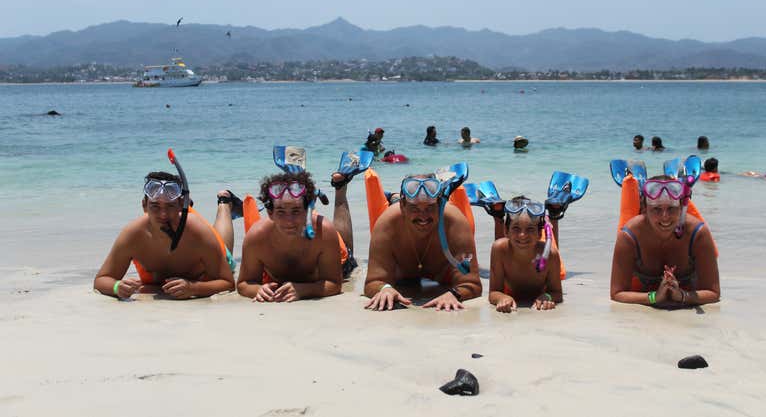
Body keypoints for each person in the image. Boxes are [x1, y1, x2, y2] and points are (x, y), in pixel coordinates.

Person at [94, 172, 236, 299]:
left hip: (204, 273)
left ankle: (225, 202)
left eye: (170, 206)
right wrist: (117, 287)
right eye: (155, 206)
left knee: (223, 246)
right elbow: (102, 279)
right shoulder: (133, 234)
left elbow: (228, 283)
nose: (163, 215)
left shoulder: (197, 231)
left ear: (181, 205)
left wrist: (194, 288)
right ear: (144, 205)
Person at [363, 173, 482, 311]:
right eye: (415, 208)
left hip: (443, 272)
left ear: (440, 205)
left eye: (429, 208)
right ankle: (394, 198)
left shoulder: (456, 223)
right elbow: (372, 282)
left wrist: (454, 294)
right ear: (402, 206)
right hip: (401, 272)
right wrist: (385, 288)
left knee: (468, 225)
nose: (423, 216)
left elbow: (472, 283)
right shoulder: (387, 223)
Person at [237, 169, 352, 302]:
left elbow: (335, 284)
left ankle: (340, 188)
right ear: (270, 213)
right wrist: (257, 290)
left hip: (335, 256)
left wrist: (303, 291)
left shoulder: (325, 232)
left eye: (295, 211)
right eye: (280, 212)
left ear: (307, 211)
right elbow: (243, 284)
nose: (289, 221)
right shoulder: (256, 237)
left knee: (344, 246)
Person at [610, 175, 720, 306]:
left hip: (685, 290)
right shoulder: (629, 237)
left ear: (681, 208)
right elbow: (616, 293)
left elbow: (713, 293)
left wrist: (682, 296)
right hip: (644, 290)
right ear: (644, 208)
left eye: (671, 208)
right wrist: (654, 297)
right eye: (656, 209)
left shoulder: (697, 234)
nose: (665, 217)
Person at [488, 196, 562, 312]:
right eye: (516, 228)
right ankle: (498, 216)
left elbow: (557, 293)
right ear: (506, 231)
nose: (523, 235)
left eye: (530, 229)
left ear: (539, 233)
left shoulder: (551, 255)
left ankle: (554, 215)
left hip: (542, 255)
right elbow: (493, 292)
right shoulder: (499, 250)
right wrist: (501, 297)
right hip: (512, 244)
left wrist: (547, 296)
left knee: (553, 250)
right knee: (503, 244)